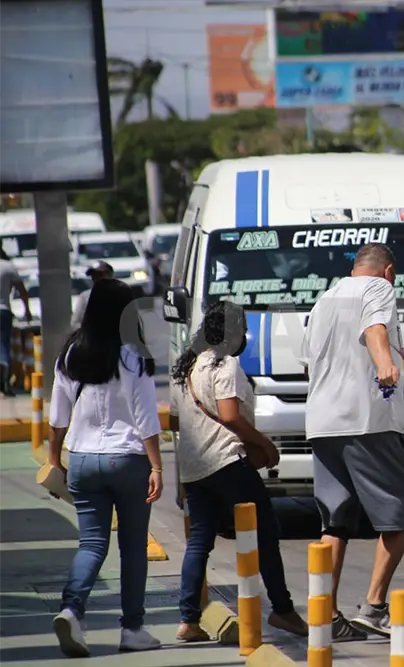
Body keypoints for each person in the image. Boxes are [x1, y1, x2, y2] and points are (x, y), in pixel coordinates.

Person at [298, 243, 404, 640]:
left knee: (335, 521)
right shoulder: (379, 289)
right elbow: (375, 328)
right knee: (403, 504)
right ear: (389, 271)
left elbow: (308, 363)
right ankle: (374, 606)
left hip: (322, 423)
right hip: (367, 421)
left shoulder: (324, 300)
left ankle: (326, 614)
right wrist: (385, 362)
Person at [169, 300, 307, 642]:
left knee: (200, 541)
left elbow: (175, 420)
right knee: (266, 534)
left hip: (195, 467)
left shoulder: (186, 367)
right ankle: (283, 610)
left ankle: (189, 620)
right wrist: (265, 444)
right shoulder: (225, 365)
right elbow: (230, 416)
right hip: (228, 463)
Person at [47, 279, 163, 657]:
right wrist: (158, 466)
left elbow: (57, 417)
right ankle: (132, 629)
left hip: (81, 460)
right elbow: (146, 419)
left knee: (92, 544)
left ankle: (71, 610)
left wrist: (53, 461)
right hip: (128, 459)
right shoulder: (134, 355)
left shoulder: (69, 353)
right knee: (132, 549)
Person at [0, 248, 31, 395]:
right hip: (4, 311)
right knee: (4, 347)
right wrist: (27, 310)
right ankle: (5, 382)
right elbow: (22, 290)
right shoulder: (8, 266)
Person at [72, 262, 114, 330]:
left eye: (100, 275)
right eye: (94, 276)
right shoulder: (85, 297)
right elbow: (76, 322)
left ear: (109, 275)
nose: (96, 278)